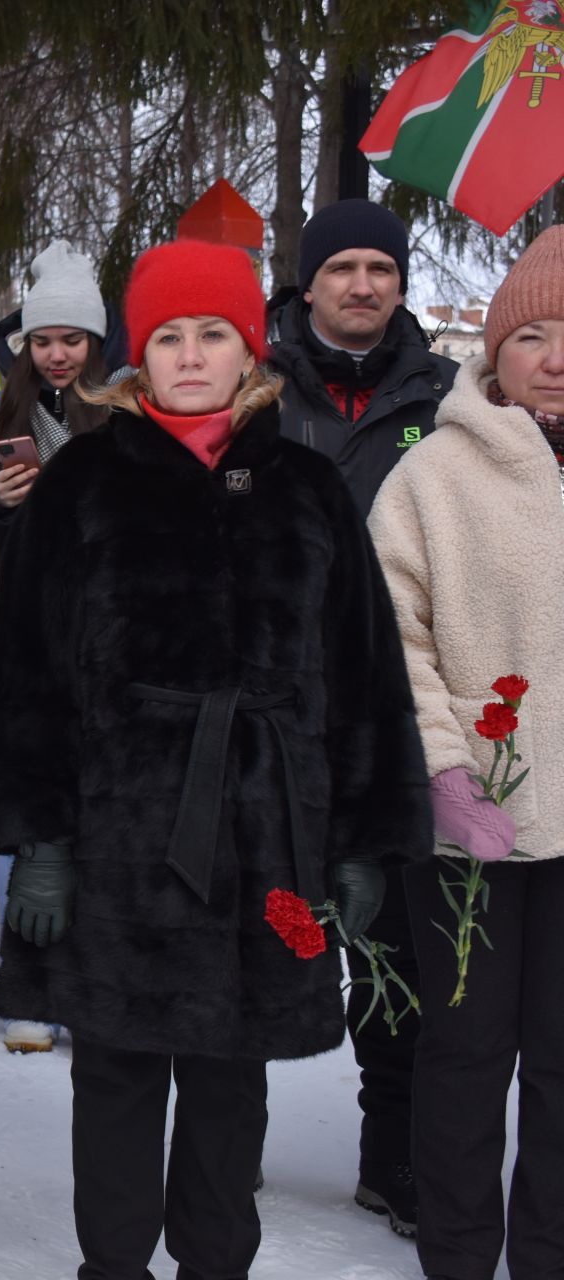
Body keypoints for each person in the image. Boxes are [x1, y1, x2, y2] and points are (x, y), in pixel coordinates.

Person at [0, 239, 431, 1280]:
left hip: (269, 829)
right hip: (116, 831)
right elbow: (28, 669)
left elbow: (363, 675)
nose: (188, 354)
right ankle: (114, 1265)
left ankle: (219, 1263)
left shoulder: (307, 487)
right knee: (119, 1073)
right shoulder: (85, 480)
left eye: (210, 333)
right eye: (167, 335)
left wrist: (359, 841)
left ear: (247, 347)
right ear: (135, 356)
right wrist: (36, 837)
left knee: (231, 1080)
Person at [368, 224, 564, 1280]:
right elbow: (391, 634)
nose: (557, 355)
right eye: (533, 333)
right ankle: (457, 1256)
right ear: (496, 350)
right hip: (471, 833)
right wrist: (444, 772)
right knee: (462, 1058)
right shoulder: (436, 476)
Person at [267, 196, 456, 1239]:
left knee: (399, 959)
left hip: (394, 718)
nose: (362, 286)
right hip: (270, 717)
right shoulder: (257, 393)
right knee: (253, 936)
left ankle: (395, 1158)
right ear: (309, 283)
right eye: (341, 268)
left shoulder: (448, 398)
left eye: (379, 269)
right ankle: (221, 1143)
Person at [0, 239, 114, 1055]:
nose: (56, 354)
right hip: (14, 648)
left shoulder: (124, 415)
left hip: (99, 652)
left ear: (97, 342)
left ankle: (82, 984)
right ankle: (26, 984)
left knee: (94, 819)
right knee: (21, 813)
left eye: (72, 339)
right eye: (44, 339)